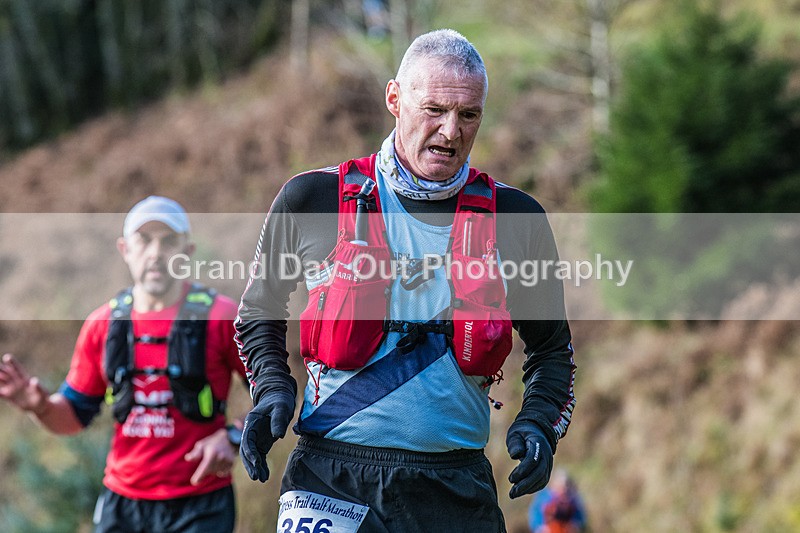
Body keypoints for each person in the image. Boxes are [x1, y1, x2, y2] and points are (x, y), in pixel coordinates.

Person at [235, 29, 576, 532]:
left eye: (468, 115)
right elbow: (257, 313)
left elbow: (553, 352)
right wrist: (271, 390)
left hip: (454, 488)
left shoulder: (516, 218)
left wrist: (539, 424)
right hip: (329, 478)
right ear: (394, 99)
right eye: (434, 110)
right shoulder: (313, 198)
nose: (450, 132)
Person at [0, 196, 247, 533]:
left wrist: (233, 437)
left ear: (187, 252)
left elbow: (275, 398)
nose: (155, 252)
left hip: (200, 503)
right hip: (122, 503)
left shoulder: (222, 317)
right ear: (124, 249)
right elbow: (73, 415)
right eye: (144, 240)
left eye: (168, 241)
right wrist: (40, 406)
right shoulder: (103, 324)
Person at [528, 469, 587, 533]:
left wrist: (575, 525)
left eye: (566, 485)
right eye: (560, 486)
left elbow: (580, 517)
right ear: (553, 485)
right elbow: (535, 515)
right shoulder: (544, 497)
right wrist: (541, 528)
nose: (564, 489)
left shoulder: (573, 499)